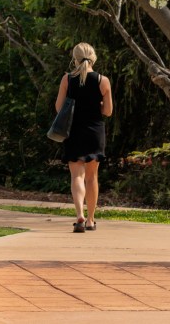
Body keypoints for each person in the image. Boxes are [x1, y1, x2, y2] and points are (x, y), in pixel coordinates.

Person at [54, 42, 113, 233]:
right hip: (94, 131)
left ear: (75, 58)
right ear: (93, 57)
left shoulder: (67, 79)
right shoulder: (102, 80)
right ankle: (90, 219)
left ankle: (79, 215)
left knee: (76, 175)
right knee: (92, 176)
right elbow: (108, 111)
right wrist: (100, 102)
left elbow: (58, 108)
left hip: (73, 131)